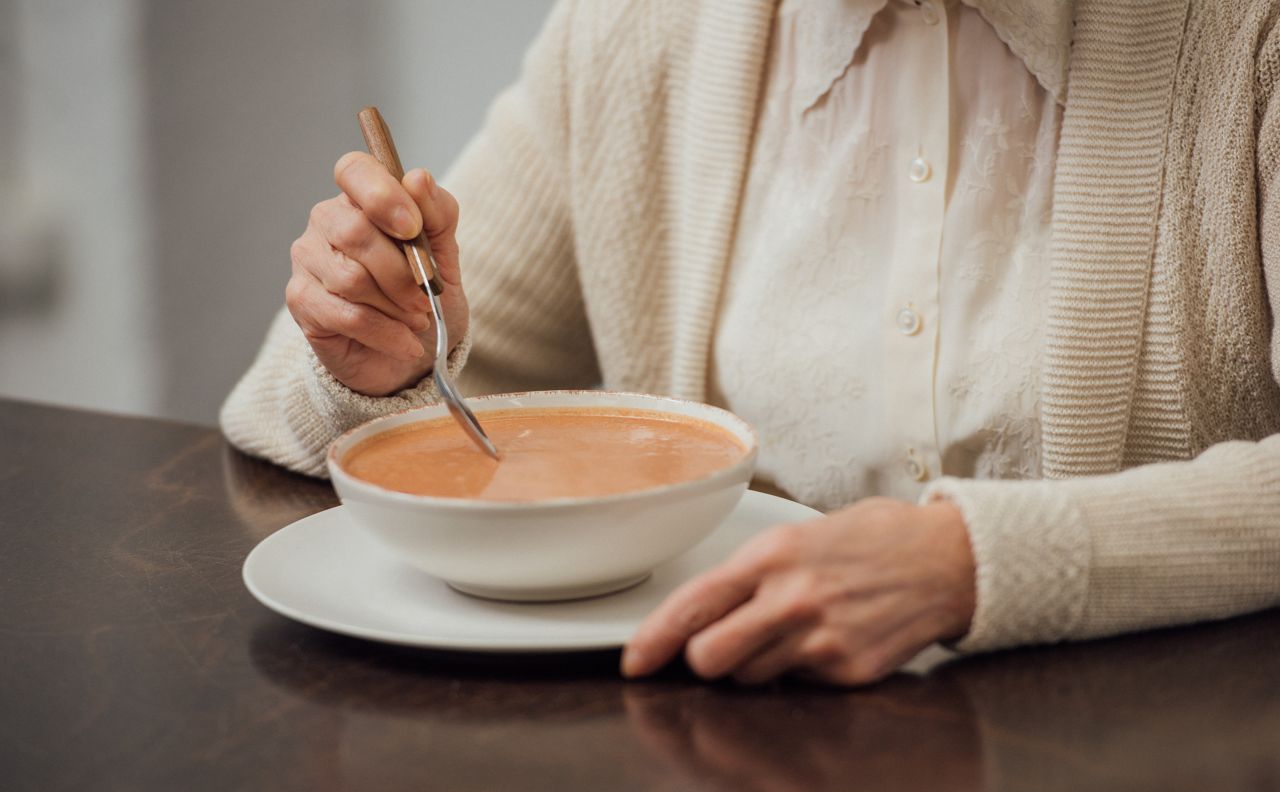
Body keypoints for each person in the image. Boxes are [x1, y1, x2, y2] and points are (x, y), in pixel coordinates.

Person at [222, 0, 1280, 685]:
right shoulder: (642, 31)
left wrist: (977, 565)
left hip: (1146, 778)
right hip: (726, 781)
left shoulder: (1243, 36)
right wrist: (390, 359)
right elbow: (287, 403)